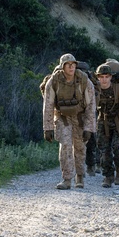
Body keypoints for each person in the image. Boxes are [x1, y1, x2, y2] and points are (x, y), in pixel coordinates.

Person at [42, 53, 96, 189]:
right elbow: (48, 105)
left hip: (80, 117)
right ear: (62, 67)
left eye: (73, 64)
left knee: (80, 147)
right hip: (62, 117)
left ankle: (80, 176)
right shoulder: (54, 81)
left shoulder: (84, 80)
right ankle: (66, 179)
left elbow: (91, 105)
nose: (71, 67)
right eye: (68, 65)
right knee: (65, 146)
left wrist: (89, 128)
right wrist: (47, 127)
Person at [93, 62, 119, 187]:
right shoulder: (95, 91)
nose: (104, 79)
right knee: (104, 151)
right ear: (98, 78)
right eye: (101, 77)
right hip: (103, 121)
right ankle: (108, 176)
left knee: (118, 149)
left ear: (111, 77)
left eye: (106, 76)